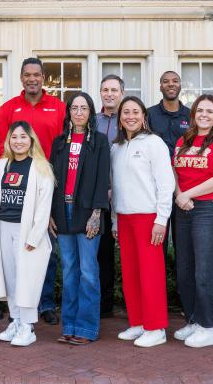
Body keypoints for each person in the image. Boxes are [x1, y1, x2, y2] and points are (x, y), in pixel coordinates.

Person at [0, 57, 66, 324]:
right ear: (21, 78)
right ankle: (17, 308)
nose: (32, 79)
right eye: (27, 75)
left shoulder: (58, 107)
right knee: (15, 251)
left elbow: (62, 148)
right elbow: (0, 148)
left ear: (43, 78)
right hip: (17, 186)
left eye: (37, 74)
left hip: (48, 183)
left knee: (45, 245)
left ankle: (45, 303)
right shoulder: (8, 109)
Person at [172, 95, 213, 348]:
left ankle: (209, 327)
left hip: (209, 210)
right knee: (185, 270)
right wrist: (179, 194)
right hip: (183, 208)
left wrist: (187, 194)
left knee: (205, 271)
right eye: (200, 110)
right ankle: (194, 320)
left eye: (210, 111)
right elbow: (174, 171)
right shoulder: (183, 141)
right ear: (193, 114)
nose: (204, 115)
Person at [110, 96, 174, 348]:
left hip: (149, 217)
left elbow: (166, 183)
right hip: (125, 218)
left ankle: (156, 327)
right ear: (120, 118)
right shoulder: (116, 147)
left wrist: (161, 219)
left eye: (135, 112)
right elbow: (115, 188)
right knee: (130, 274)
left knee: (151, 274)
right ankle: (138, 322)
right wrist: (115, 221)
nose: (130, 116)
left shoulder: (154, 143)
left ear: (144, 117)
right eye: (125, 112)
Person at [0, 121, 55, 347]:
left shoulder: (40, 167)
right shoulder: (2, 165)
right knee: (11, 279)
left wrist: (34, 236)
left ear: (31, 140)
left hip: (27, 231)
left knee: (27, 280)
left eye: (23, 137)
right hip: (3, 228)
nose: (18, 141)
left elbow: (44, 206)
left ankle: (28, 327)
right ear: (9, 140)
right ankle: (16, 320)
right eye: (14, 137)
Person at [50, 92, 110, 345]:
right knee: (70, 271)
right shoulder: (59, 142)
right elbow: (52, 181)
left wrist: (96, 214)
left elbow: (102, 180)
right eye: (74, 108)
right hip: (62, 212)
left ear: (90, 112)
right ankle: (70, 326)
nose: (79, 112)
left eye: (84, 108)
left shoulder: (100, 141)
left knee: (87, 272)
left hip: (87, 212)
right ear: (69, 112)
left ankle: (86, 328)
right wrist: (50, 214)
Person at [93, 75, 123, 319]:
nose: (109, 94)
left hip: (127, 194)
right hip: (100, 196)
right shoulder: (93, 121)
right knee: (102, 252)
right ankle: (104, 304)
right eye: (105, 90)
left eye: (114, 90)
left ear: (121, 92)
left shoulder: (130, 119)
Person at [146, 70, 191, 155]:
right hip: (156, 166)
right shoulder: (149, 114)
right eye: (166, 81)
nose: (171, 84)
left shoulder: (191, 115)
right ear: (160, 87)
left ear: (180, 86)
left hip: (183, 166)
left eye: (175, 81)